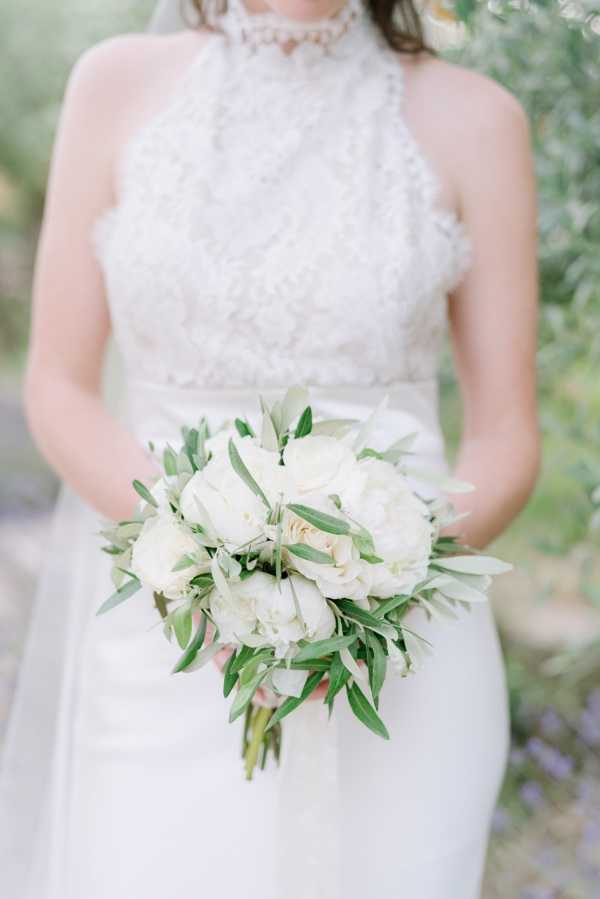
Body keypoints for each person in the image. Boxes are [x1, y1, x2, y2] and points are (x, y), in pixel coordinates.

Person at [0, 0, 540, 896]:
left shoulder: (479, 118)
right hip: (163, 643)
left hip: (398, 650)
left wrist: (368, 584)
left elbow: (507, 432)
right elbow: (57, 385)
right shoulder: (115, 84)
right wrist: (211, 567)